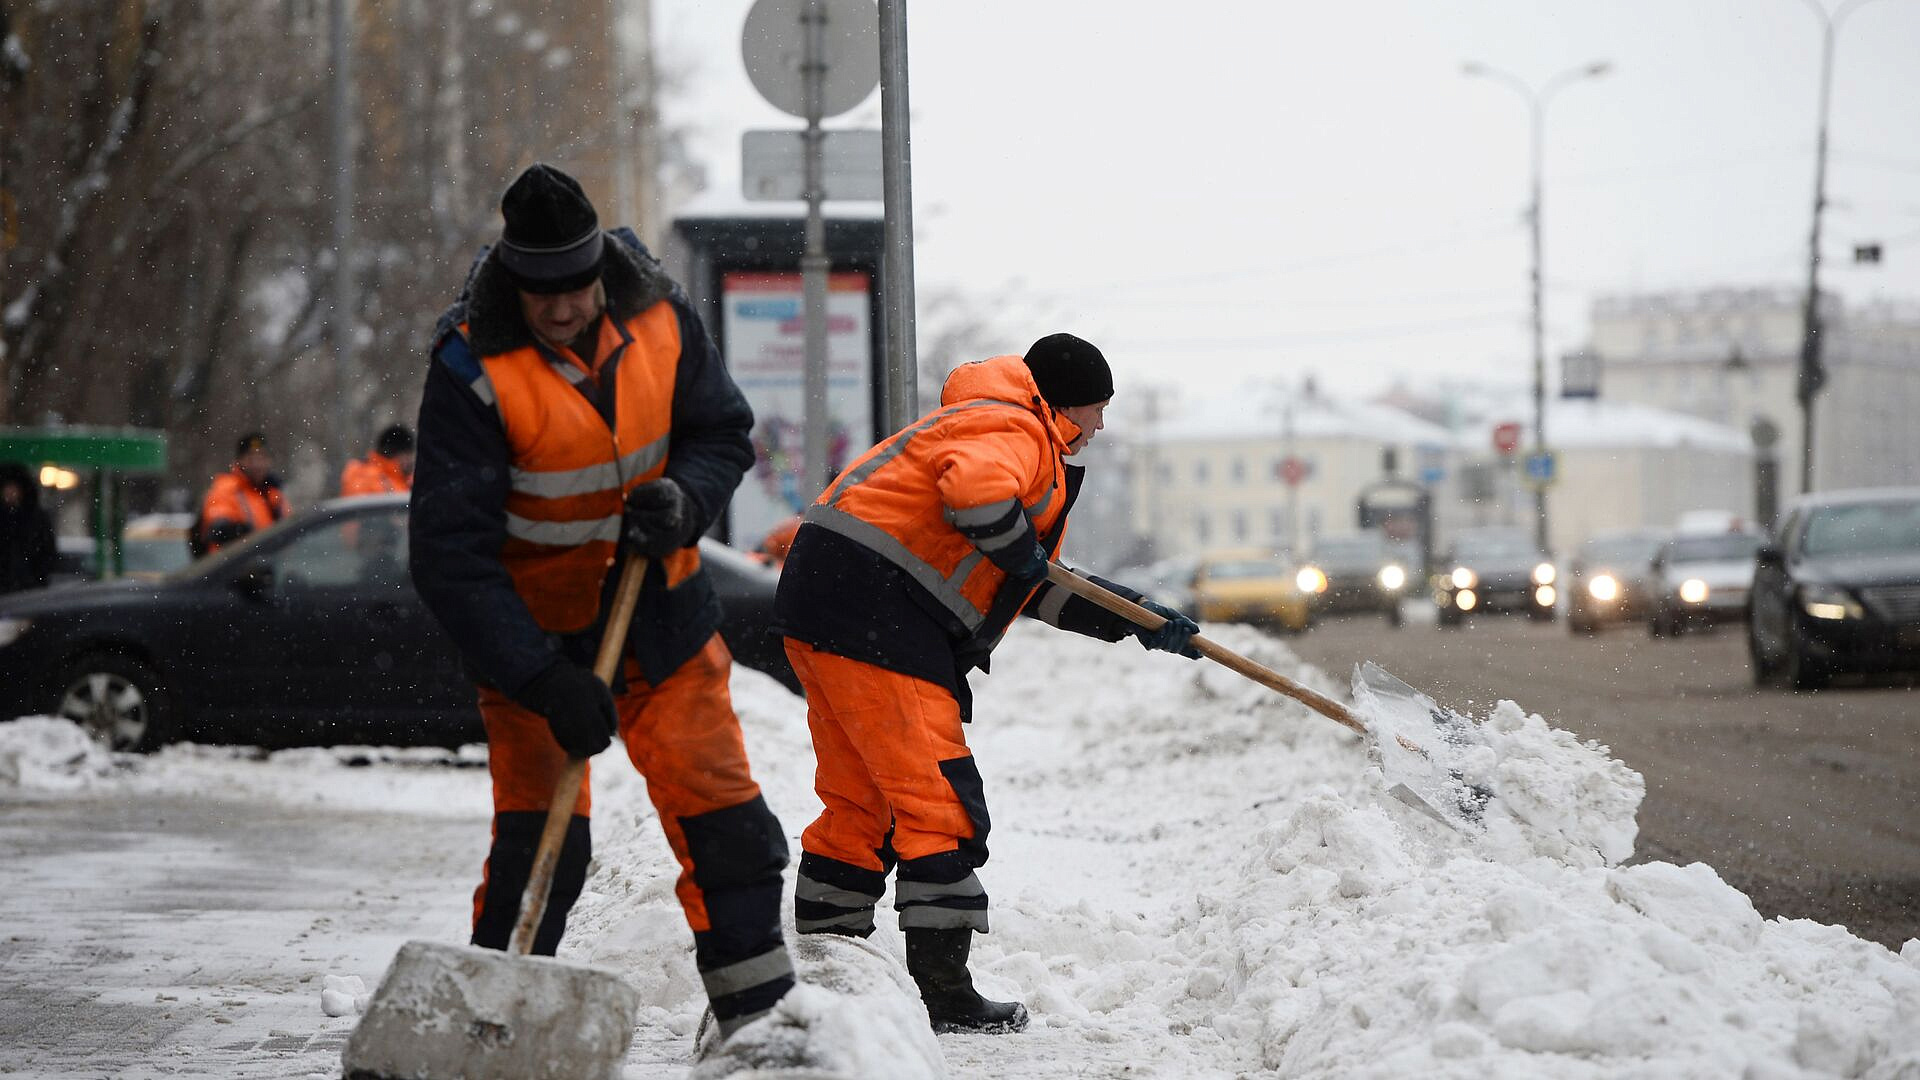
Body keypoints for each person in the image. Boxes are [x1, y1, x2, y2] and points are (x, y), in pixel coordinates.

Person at [408, 163, 793, 1041]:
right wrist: (544, 680)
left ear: (600, 270)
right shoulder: (472, 366)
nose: (561, 310)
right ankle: (487, 1034)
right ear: (513, 279)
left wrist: (686, 500)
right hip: (533, 641)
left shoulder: (658, 315)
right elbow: (448, 556)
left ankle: (758, 1026)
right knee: (540, 853)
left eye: (575, 288)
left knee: (726, 826)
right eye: (539, 293)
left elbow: (720, 431)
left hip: (662, 618)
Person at [773, 334, 1204, 1034]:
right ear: (1066, 403)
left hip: (830, 607)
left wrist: (1134, 617)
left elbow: (1031, 585)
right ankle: (945, 994)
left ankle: (832, 964)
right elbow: (981, 504)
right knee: (938, 801)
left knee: (865, 798)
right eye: (1098, 409)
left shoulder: (996, 429)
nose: (1100, 426)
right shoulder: (1012, 427)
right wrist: (1020, 551)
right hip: (877, 614)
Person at [191, 432, 288, 557]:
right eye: (251, 458)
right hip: (232, 569)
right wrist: (244, 533)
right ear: (239, 461)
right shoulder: (226, 489)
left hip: (267, 568)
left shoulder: (274, 493)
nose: (257, 464)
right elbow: (217, 529)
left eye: (262, 457)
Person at [0, 463, 57, 594]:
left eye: (13, 488)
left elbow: (47, 552)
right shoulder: (35, 518)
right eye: (6, 488)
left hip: (29, 588)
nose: (10, 493)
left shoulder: (36, 518)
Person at [339, 424, 415, 496]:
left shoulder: (405, 479)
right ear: (393, 453)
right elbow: (359, 503)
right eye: (407, 454)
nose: (411, 460)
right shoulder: (364, 475)